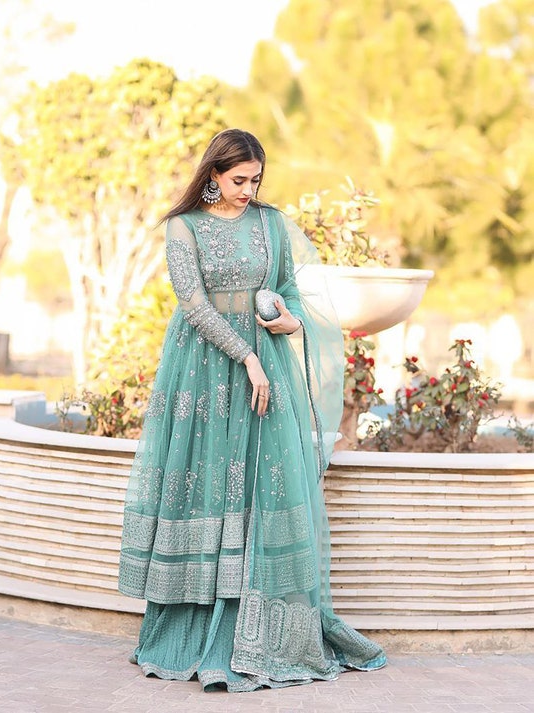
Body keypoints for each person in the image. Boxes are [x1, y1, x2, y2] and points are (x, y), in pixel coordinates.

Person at [118, 128, 386, 692]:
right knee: (207, 487)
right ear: (213, 175)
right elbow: (191, 304)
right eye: (238, 180)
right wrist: (247, 357)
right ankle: (192, 628)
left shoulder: (270, 224)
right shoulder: (182, 227)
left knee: (262, 486)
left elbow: (288, 287)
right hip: (204, 373)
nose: (248, 190)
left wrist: (288, 321)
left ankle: (262, 633)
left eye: (255, 180)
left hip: (266, 367)